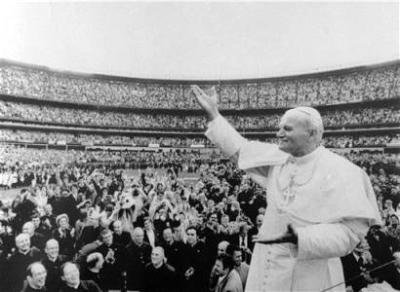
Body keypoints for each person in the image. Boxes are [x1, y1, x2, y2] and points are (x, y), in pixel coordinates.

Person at [191, 85, 381, 292]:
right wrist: (214, 114)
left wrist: (302, 238)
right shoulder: (277, 157)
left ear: (312, 133)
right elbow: (240, 150)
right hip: (266, 268)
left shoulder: (343, 171)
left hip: (310, 273)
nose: (278, 133)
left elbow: (351, 232)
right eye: (280, 127)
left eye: (287, 129)